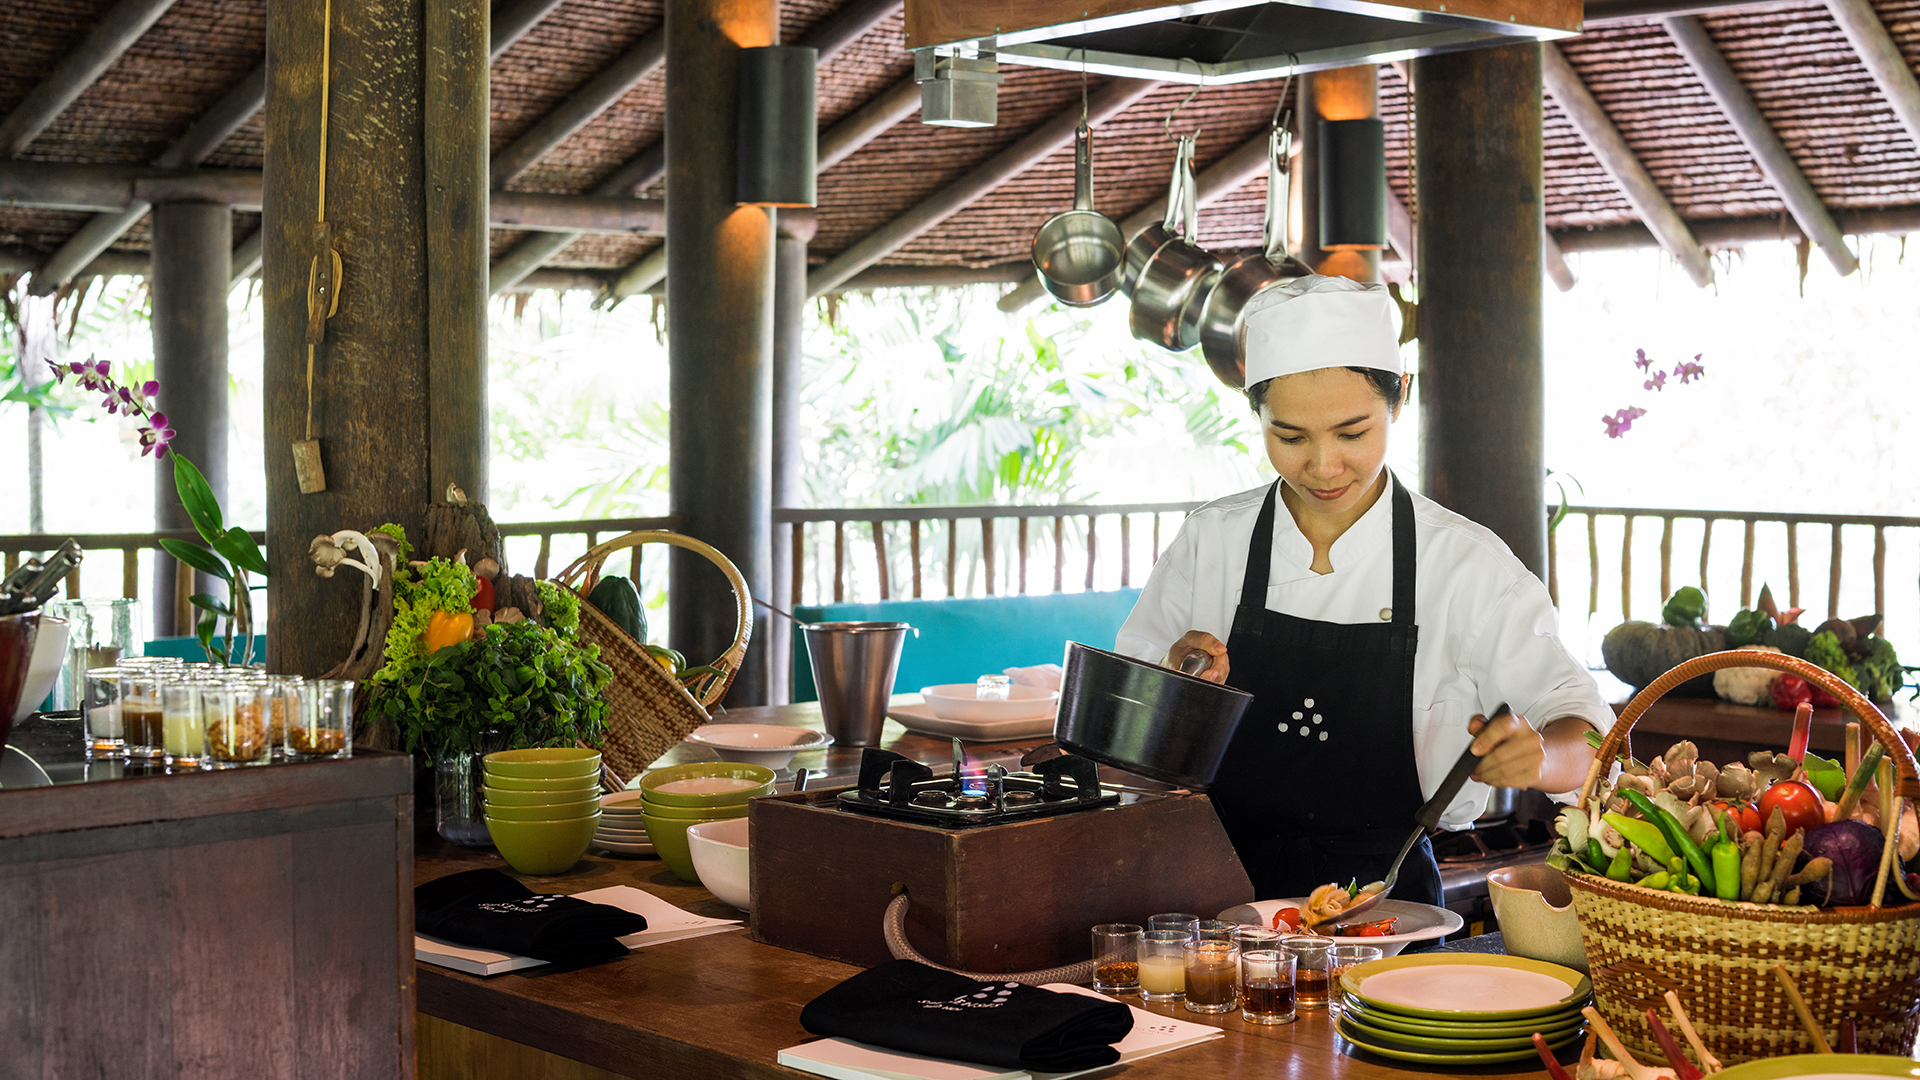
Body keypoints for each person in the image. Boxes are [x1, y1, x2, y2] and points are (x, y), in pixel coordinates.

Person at [1114, 274, 1608, 907]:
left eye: (1352, 433)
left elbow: (1589, 733)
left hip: (1388, 908)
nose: (1322, 466)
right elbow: (1129, 723)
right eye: (1289, 437)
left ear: (1399, 399)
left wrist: (1539, 757)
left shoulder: (1464, 563)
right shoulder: (1212, 541)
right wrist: (1175, 678)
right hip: (1213, 901)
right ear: (1256, 415)